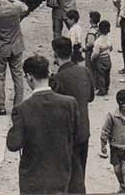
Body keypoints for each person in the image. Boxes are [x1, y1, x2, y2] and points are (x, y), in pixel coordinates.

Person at [7, 55, 81, 194]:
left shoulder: (22, 109)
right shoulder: (70, 103)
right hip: (61, 174)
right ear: (48, 73)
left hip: (32, 179)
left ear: (29, 77)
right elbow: (77, 134)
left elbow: (13, 145)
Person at [50, 37, 95, 194]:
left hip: (66, 135)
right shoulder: (85, 71)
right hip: (84, 130)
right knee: (80, 172)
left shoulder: (57, 78)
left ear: (55, 54)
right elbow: (90, 97)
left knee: (67, 178)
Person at [0, 0, 28, 116]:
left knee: (0, 77)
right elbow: (25, 7)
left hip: (2, 47)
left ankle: (0, 106)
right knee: (18, 76)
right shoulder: (16, 8)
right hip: (16, 46)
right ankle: (18, 106)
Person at [91, 20, 114, 96]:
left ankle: (102, 90)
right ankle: (107, 88)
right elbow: (111, 48)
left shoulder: (98, 41)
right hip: (107, 58)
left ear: (99, 30)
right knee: (107, 74)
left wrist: (92, 58)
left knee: (101, 75)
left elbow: (96, 52)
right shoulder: (109, 39)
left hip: (100, 59)